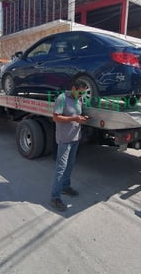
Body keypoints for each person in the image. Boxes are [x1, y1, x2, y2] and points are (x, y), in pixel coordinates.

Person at [50, 80, 89, 212]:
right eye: (79, 92)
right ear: (73, 88)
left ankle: (65, 187)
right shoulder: (62, 98)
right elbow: (55, 117)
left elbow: (76, 114)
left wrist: (82, 117)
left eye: (83, 93)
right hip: (64, 139)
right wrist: (74, 119)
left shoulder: (79, 99)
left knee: (70, 165)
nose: (81, 95)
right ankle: (55, 197)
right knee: (61, 168)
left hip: (75, 138)